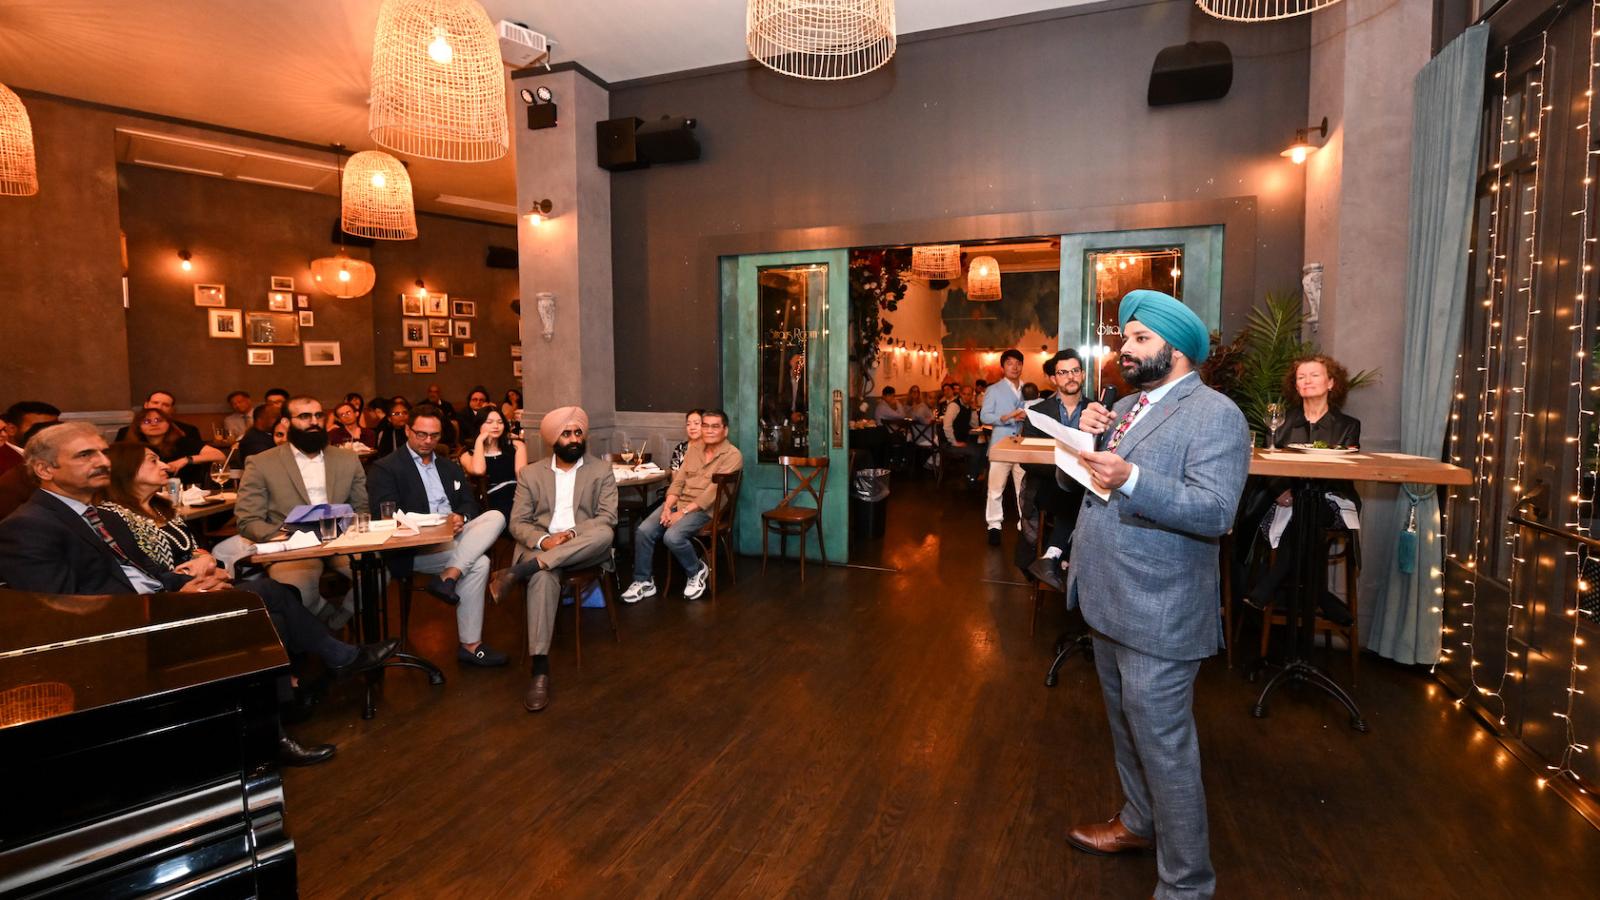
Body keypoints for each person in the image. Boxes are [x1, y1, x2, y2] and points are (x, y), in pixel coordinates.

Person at [0, 424, 393, 767]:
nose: (102, 460)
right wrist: (171, 599)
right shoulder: (29, 527)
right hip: (125, 632)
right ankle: (274, 732)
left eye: (102, 451)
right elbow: (66, 612)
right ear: (45, 469)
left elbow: (142, 573)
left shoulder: (95, 513)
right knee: (260, 613)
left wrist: (181, 585)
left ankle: (321, 679)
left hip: (158, 603)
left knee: (269, 591)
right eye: (86, 455)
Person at [1063, 290, 1250, 900]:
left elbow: (1217, 511)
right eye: (1125, 338)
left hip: (1160, 607)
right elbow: (1098, 484)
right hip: (1109, 597)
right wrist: (1085, 436)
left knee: (1166, 749)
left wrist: (1134, 476)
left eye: (1141, 339)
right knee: (1125, 730)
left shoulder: (1216, 414)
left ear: (1179, 350)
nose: (1126, 348)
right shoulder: (1124, 406)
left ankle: (1187, 885)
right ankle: (1139, 824)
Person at [368, 405, 509, 667]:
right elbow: (385, 515)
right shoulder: (386, 468)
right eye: (421, 434)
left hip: (453, 538)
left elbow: (469, 503)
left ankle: (448, 576)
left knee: (497, 516)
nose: (427, 441)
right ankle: (470, 644)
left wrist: (460, 517)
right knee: (480, 563)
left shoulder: (448, 466)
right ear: (408, 430)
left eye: (433, 435)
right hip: (415, 547)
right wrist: (434, 525)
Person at [498, 406, 617, 712]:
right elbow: (517, 523)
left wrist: (571, 535)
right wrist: (543, 541)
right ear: (554, 439)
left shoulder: (601, 471)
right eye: (566, 433)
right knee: (543, 576)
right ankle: (540, 671)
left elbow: (607, 518)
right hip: (542, 545)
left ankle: (522, 569)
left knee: (605, 533)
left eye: (578, 432)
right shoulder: (531, 474)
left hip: (582, 546)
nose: (574, 438)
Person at [1238, 354, 1362, 624]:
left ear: (1331, 382)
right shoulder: (1280, 421)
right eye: (1301, 377)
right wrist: (1280, 490)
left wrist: (1307, 492)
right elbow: (1267, 460)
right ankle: (1320, 594)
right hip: (1284, 500)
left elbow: (1346, 471)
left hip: (1330, 500)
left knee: (1310, 510)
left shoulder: (1348, 425)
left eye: (1314, 375)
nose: (1306, 381)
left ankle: (1268, 586)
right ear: (1295, 386)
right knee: (1304, 514)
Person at [235, 396, 368, 626]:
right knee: (300, 593)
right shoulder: (261, 463)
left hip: (342, 539)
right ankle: (326, 619)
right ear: (286, 422)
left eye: (318, 416)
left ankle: (337, 623)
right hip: (292, 545)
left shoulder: (347, 458)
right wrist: (289, 537)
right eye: (305, 416)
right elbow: (248, 521)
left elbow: (361, 507)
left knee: (376, 575)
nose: (314, 422)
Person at [622, 409, 743, 604]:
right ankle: (643, 581)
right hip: (680, 504)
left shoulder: (733, 455)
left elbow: (711, 495)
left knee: (673, 536)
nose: (709, 431)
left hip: (707, 510)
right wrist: (669, 506)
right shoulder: (693, 449)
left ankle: (696, 571)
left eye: (715, 426)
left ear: (725, 430)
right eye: (705, 426)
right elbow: (678, 482)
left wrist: (683, 513)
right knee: (644, 530)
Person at [1021, 350, 1090, 590]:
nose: (1070, 377)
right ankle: (1067, 559)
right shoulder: (1037, 413)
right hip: (1049, 488)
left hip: (1087, 489)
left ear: (1082, 374)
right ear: (1053, 379)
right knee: (1078, 499)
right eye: (1063, 372)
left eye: (1075, 371)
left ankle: (1053, 557)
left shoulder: (1097, 409)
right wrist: (1065, 468)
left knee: (1088, 500)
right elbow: (1026, 459)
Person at [981, 349, 1029, 545]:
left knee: (1023, 488)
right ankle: (994, 525)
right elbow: (984, 416)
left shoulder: (1028, 389)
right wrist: (1007, 417)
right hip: (1001, 444)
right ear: (1003, 367)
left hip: (1023, 444)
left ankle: (1023, 525)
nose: (1015, 367)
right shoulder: (994, 389)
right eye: (1010, 363)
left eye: (1018, 363)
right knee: (995, 488)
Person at [123, 406, 224, 485]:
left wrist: (185, 460)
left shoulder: (182, 442)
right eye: (146, 421)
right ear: (138, 427)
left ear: (168, 424)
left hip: (186, 493)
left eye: (159, 420)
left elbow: (219, 455)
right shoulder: (133, 447)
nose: (153, 424)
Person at [460, 407, 526, 519]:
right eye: (489, 422)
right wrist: (480, 441)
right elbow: (479, 470)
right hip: (490, 502)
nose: (496, 426)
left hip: (516, 496)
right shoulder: (467, 455)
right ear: (479, 425)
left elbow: (522, 477)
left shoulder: (516, 446)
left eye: (500, 422)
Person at [0, 420, 56, 519]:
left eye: (4, 429)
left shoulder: (17, 455)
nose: (4, 435)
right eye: (83, 455)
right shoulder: (17, 480)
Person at [113, 390, 203, 443]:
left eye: (165, 405)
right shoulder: (125, 432)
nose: (159, 407)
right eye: (155, 403)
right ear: (146, 405)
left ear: (172, 410)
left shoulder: (188, 431)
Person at [0, 401, 60, 475]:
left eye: (54, 427)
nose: (49, 432)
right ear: (11, 429)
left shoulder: (57, 453)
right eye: (39, 427)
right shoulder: (3, 462)